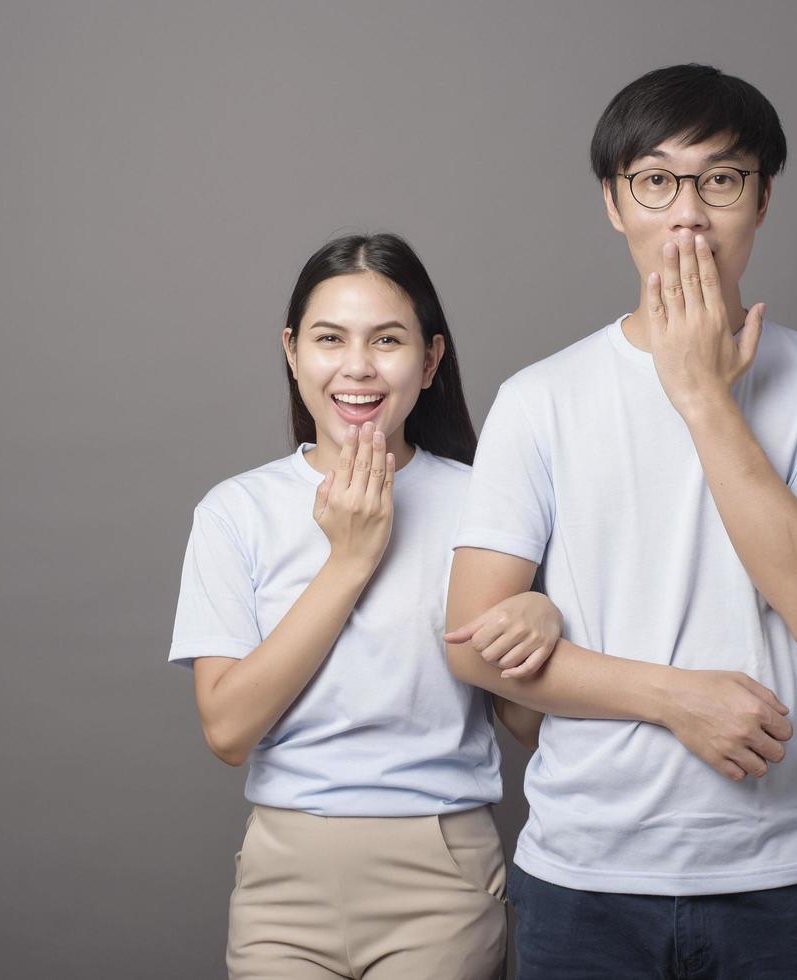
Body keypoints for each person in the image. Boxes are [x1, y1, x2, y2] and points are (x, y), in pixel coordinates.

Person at [445, 64, 797, 978]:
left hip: (787, 883)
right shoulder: (539, 399)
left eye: (721, 180)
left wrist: (702, 396)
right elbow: (471, 645)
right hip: (584, 881)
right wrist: (677, 698)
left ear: (761, 200)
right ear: (616, 203)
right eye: (656, 181)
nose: (687, 213)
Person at [168, 232, 561, 979]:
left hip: (441, 873)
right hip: (282, 881)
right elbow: (227, 727)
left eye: (387, 339)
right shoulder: (235, 512)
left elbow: (531, 725)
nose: (358, 366)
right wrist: (349, 561)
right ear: (291, 351)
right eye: (329, 338)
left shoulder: (487, 502)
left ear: (431, 359)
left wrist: (544, 624)